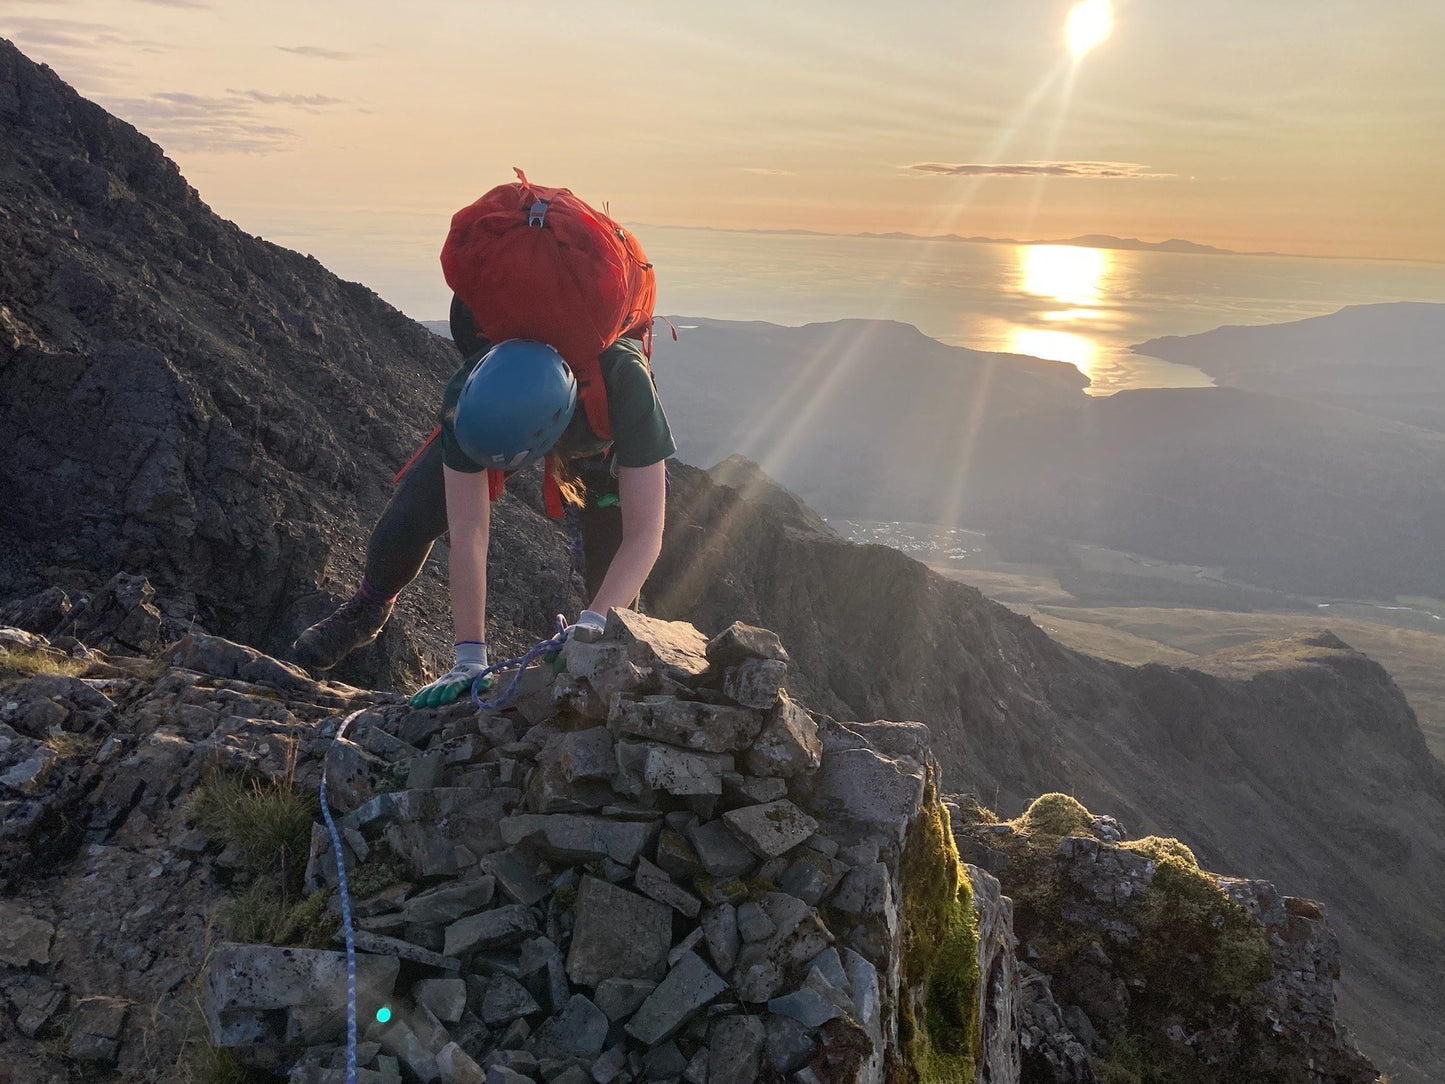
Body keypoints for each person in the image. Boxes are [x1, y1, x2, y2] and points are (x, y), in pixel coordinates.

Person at [290, 294, 675, 707]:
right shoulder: (471, 397)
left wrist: (594, 622)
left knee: (611, 610)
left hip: (602, 448)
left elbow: (645, 533)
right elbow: (468, 532)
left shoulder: (624, 381)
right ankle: (367, 611)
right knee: (406, 522)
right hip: (506, 420)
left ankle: (595, 683)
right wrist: (468, 658)